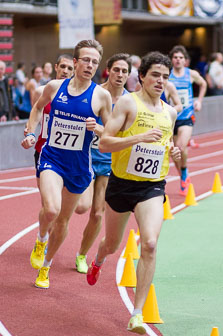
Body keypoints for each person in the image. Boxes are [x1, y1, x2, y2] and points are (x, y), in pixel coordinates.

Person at [86, 51, 181, 334]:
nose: (160, 81)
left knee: (149, 244)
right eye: (155, 75)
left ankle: (137, 313)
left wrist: (173, 151)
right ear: (141, 76)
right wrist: (138, 137)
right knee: (112, 244)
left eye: (165, 77)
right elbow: (104, 143)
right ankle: (99, 260)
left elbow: (166, 144)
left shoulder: (170, 112)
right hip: (121, 184)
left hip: (151, 186)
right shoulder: (128, 103)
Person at [21, 39, 112, 289]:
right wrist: (30, 132)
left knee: (63, 220)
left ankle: (46, 267)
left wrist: (99, 128)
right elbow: (37, 109)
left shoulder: (101, 96)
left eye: (94, 61)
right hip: (52, 158)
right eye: (86, 60)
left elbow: (113, 133)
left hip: (79, 167)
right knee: (51, 209)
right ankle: (41, 239)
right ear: (75, 62)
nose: (90, 65)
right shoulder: (54, 86)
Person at [75, 53, 132, 274]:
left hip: (110, 162)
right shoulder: (96, 93)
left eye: (124, 71)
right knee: (81, 207)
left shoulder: (130, 101)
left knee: (97, 213)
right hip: (87, 156)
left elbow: (126, 135)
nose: (120, 74)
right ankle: (60, 220)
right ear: (108, 70)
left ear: (129, 74)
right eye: (116, 69)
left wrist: (102, 130)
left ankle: (81, 255)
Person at [169, 45, 207, 196]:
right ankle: (183, 175)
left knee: (180, 146)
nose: (178, 60)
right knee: (174, 153)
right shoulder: (168, 75)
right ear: (171, 60)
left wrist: (199, 101)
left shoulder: (190, 74)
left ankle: (184, 173)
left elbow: (203, 84)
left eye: (181, 58)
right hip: (171, 119)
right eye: (175, 57)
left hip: (186, 117)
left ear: (185, 60)